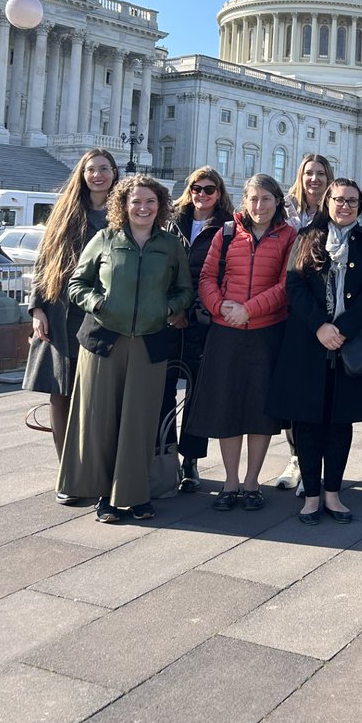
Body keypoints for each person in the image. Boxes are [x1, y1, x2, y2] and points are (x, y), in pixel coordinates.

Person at [59, 175, 192, 522]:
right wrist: (98, 303)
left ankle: (134, 495)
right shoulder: (104, 239)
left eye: (150, 201)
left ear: (160, 206)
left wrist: (166, 309)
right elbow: (77, 283)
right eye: (136, 201)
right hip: (104, 341)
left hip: (148, 342)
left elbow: (185, 291)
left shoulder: (170, 245)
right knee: (101, 420)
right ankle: (104, 496)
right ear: (123, 205)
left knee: (139, 421)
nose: (143, 207)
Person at [269, 179, 362, 525]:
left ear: (360, 205)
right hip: (308, 342)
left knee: (339, 421)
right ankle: (311, 495)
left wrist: (344, 328)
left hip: (348, 343)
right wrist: (320, 325)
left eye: (351, 201)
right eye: (339, 200)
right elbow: (294, 284)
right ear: (328, 202)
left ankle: (333, 494)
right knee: (307, 421)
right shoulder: (307, 237)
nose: (345, 206)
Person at [184, 174, 297, 512]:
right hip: (226, 331)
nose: (259, 206)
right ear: (244, 201)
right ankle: (230, 481)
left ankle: (252, 482)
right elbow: (207, 277)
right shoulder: (227, 232)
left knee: (259, 410)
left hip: (265, 330)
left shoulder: (289, 236)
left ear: (277, 201)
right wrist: (221, 308)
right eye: (253, 199)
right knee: (227, 407)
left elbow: (286, 284)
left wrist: (249, 310)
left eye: (266, 199)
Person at [22, 149, 119, 488]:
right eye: (91, 169)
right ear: (82, 174)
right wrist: (36, 309)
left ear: (114, 173)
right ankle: (67, 470)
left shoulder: (121, 213)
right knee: (60, 391)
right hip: (61, 310)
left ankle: (95, 468)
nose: (98, 175)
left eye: (104, 169)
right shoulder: (66, 212)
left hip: (103, 312)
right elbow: (44, 260)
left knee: (96, 394)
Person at [161, 166, 235, 492]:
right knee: (162, 390)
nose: (201, 195)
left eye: (208, 189)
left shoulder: (228, 228)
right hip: (166, 319)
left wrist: (196, 312)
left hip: (202, 321)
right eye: (196, 188)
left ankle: (189, 460)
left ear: (219, 193)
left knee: (195, 393)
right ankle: (163, 458)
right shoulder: (171, 222)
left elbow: (225, 277)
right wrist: (170, 310)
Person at [278, 153, 335, 493]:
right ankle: (297, 457)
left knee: (319, 393)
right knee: (292, 393)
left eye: (321, 174)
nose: (314, 179)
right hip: (280, 308)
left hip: (317, 316)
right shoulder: (282, 212)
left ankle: (313, 462)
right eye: (309, 173)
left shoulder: (336, 213)